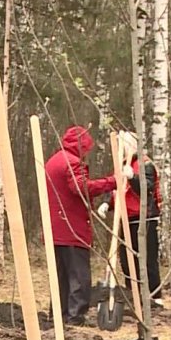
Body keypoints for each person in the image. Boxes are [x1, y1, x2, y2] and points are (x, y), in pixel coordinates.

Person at [45, 125, 117, 325]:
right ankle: (75, 316)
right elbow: (81, 187)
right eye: (86, 148)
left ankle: (58, 315)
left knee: (61, 276)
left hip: (55, 228)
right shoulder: (72, 162)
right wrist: (112, 181)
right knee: (78, 276)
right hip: (72, 229)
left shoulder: (53, 160)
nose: (87, 152)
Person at [99, 130, 164, 307]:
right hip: (125, 219)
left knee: (147, 258)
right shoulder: (120, 166)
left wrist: (133, 177)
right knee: (127, 260)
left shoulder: (146, 165)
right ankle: (133, 294)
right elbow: (114, 189)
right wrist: (107, 203)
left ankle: (155, 296)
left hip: (145, 219)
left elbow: (147, 189)